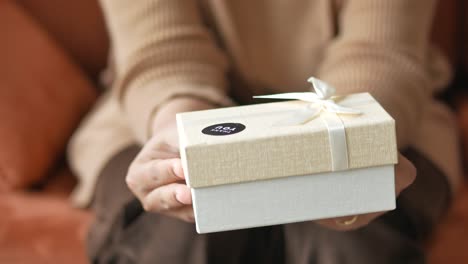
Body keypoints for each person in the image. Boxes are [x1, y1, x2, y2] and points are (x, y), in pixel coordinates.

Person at [68, 0, 461, 263]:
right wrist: (184, 135)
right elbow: (160, 50)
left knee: (346, 244)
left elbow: (381, 50)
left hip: (369, 101)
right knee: (178, 241)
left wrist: (359, 140)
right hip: (164, 106)